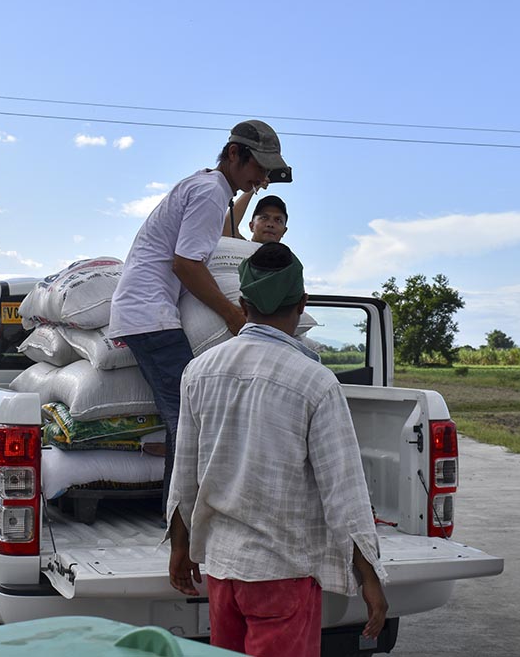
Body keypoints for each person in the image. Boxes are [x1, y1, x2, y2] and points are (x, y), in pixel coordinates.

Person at [166, 242, 388, 657]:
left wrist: (181, 548)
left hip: (222, 574)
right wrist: (369, 576)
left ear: (242, 303)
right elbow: (344, 491)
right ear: (302, 304)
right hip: (283, 575)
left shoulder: (198, 372)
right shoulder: (315, 382)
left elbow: (186, 472)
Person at [108, 120, 290, 517]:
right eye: (258, 166)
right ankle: (180, 522)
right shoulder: (211, 192)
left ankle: (179, 519)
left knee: (185, 418)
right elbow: (187, 266)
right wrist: (232, 316)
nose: (262, 179)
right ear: (233, 154)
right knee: (189, 421)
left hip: (147, 311)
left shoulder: (209, 188)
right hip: (149, 315)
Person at [221, 190, 289, 244]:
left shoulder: (290, 260)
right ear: (251, 226)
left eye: (278, 220)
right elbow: (227, 226)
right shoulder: (240, 246)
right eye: (264, 218)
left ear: (284, 231)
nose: (270, 224)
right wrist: (252, 189)